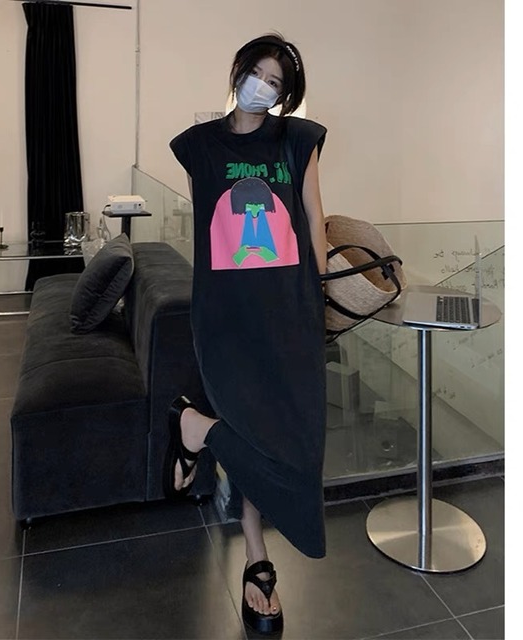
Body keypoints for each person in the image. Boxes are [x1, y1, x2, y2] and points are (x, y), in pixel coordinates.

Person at [166, 32, 328, 635]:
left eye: (275, 83)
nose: (263, 86)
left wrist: (319, 297)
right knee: (253, 429)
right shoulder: (198, 146)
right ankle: (257, 558)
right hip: (229, 316)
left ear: (285, 96)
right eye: (257, 73)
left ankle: (194, 427)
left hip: (289, 313)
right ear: (238, 70)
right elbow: (210, 229)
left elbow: (313, 217)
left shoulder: (297, 140)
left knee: (291, 438)